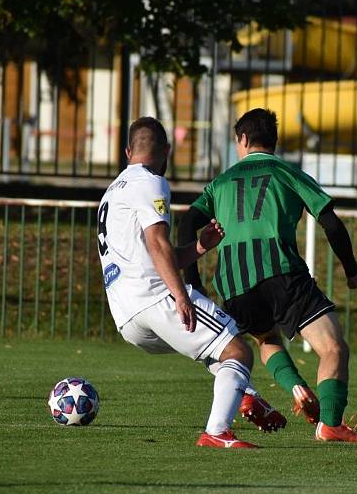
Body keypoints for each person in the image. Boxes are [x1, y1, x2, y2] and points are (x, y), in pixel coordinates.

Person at [180, 108, 357, 443]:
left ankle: (295, 386)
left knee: (266, 339)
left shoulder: (220, 182)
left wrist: (194, 285)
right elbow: (331, 224)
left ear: (242, 138)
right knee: (333, 348)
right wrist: (351, 270)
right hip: (282, 272)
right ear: (274, 141)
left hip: (235, 281)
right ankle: (330, 424)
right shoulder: (286, 172)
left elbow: (185, 224)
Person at [97, 116, 282, 449]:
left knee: (215, 351)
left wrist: (198, 247)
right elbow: (157, 242)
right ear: (167, 150)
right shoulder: (151, 181)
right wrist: (181, 295)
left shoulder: (113, 192)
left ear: (127, 151)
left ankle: (247, 397)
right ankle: (216, 432)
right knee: (237, 350)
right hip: (155, 297)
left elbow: (150, 253)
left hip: (126, 317)